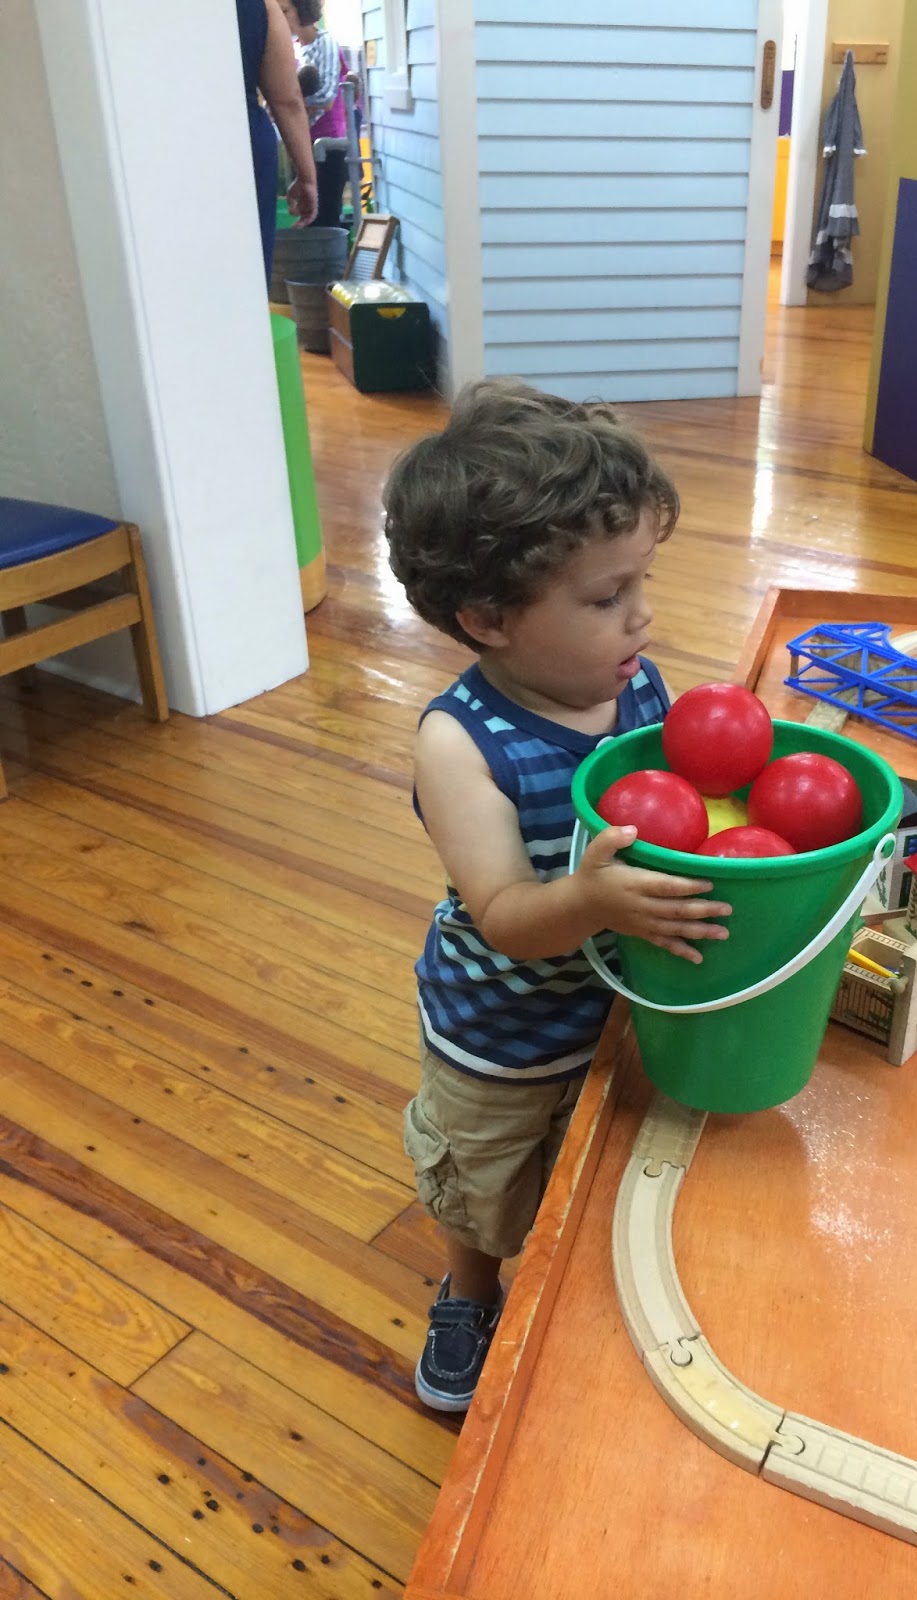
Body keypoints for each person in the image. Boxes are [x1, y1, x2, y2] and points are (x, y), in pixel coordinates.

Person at [383, 380, 732, 1412]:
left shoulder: (640, 684)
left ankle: (555, 1271)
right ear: (486, 618)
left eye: (643, 580)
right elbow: (502, 911)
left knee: (591, 1161)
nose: (643, 613)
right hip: (502, 1031)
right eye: (604, 596)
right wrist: (590, 897)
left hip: (617, 1004)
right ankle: (468, 1290)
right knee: (483, 1182)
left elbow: (695, 806)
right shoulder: (460, 744)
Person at [234, 0, 317, 284]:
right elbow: (287, 99)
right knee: (247, 275)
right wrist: (307, 177)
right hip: (242, 141)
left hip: (159, 141)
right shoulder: (261, 5)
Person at [279, 0, 349, 230]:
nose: (280, 17)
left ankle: (329, 266)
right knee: (310, 218)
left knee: (326, 218)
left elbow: (326, 98)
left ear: (303, 9)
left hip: (327, 143)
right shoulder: (297, 47)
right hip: (306, 140)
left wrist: (295, 107)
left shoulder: (325, 42)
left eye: (285, 11)